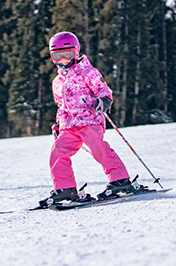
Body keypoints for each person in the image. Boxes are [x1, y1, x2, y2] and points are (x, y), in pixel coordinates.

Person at [39, 31, 136, 207]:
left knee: (98, 148)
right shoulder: (57, 82)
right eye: (57, 56)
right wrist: (59, 124)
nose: (63, 60)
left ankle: (120, 180)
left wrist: (104, 100)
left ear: (76, 52)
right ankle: (65, 188)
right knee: (58, 152)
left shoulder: (88, 72)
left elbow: (103, 89)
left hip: (90, 120)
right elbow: (62, 106)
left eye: (67, 55)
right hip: (69, 126)